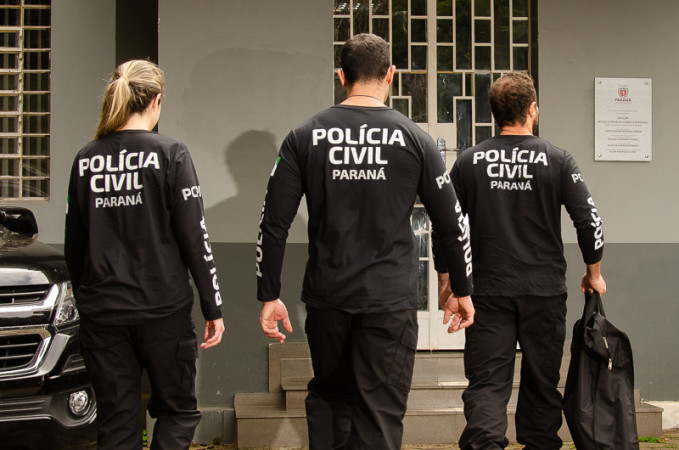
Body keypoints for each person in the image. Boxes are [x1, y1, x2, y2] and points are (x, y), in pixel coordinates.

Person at [255, 33, 475, 450]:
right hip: (389, 302)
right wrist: (461, 289)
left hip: (327, 299)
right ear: (391, 75)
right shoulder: (416, 139)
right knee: (380, 412)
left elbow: (273, 224)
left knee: (330, 400)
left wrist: (269, 293)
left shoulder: (304, 137)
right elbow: (452, 223)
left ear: (341, 76)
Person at [434, 72, 607, 450]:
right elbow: (589, 221)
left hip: (487, 293)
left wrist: (447, 283)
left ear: (494, 112)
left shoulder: (469, 161)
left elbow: (446, 225)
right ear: (532, 109)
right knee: (542, 384)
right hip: (544, 292)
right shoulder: (558, 160)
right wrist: (593, 273)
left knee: (487, 384)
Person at [64, 60, 225, 450]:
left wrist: (89, 304)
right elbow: (195, 237)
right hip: (163, 311)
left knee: (117, 421)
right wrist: (213, 306)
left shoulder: (85, 159)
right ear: (156, 101)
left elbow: (74, 247)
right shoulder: (171, 154)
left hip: (103, 314)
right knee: (177, 412)